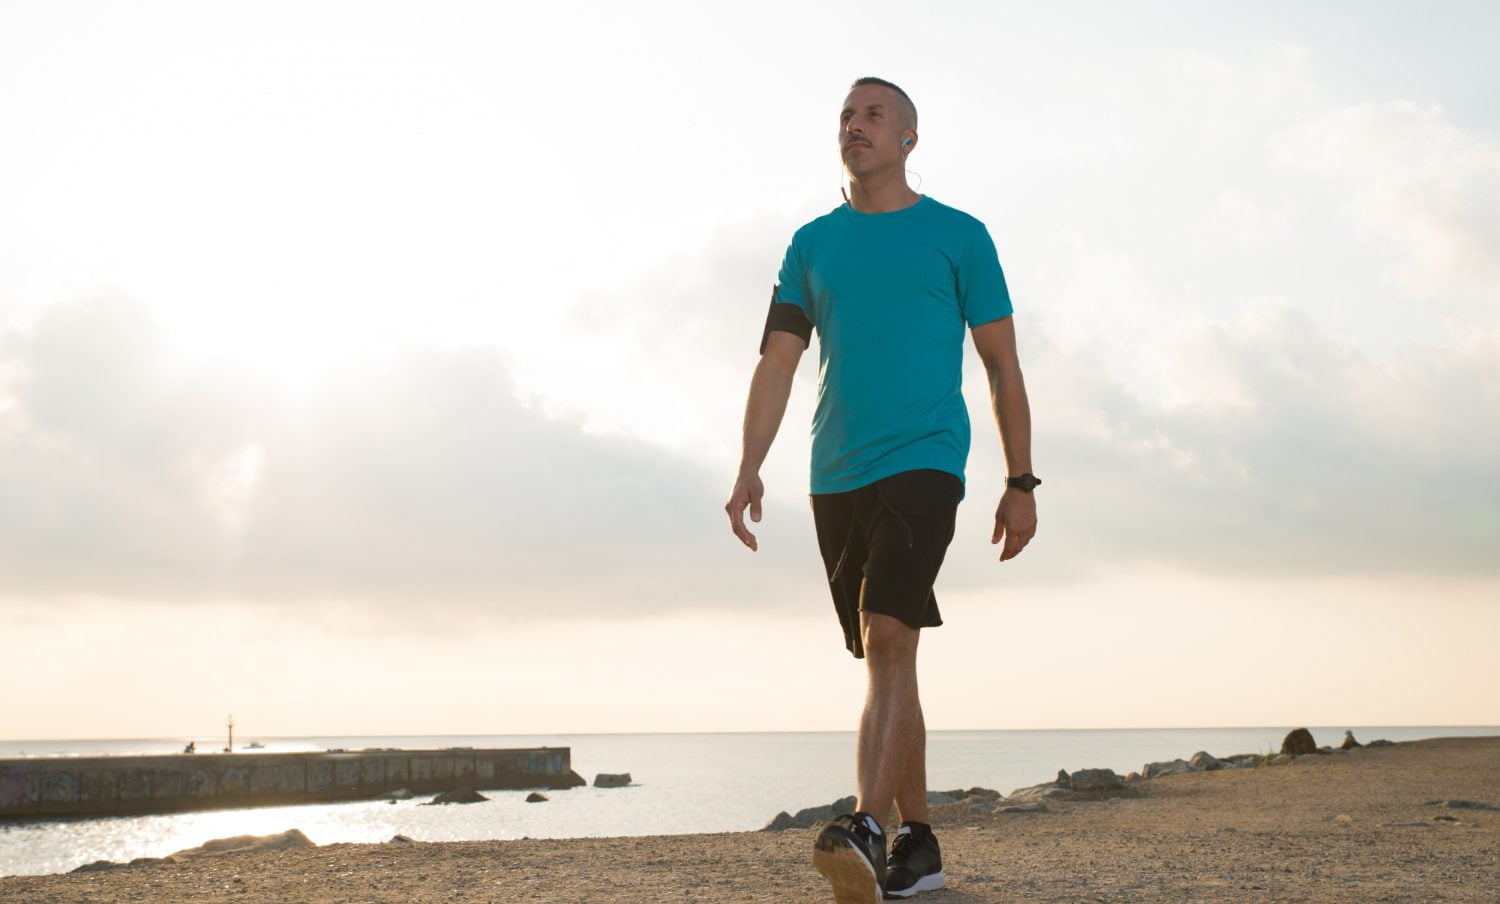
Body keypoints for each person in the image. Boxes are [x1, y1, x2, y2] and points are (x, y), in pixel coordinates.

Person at [725, 76, 1038, 903]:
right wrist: (750, 463)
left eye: (873, 115)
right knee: (888, 655)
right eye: (846, 117)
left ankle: (866, 825)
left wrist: (1020, 479)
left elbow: (1002, 365)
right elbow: (779, 360)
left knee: (887, 630)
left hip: (927, 460)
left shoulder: (960, 236)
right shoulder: (810, 245)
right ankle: (922, 843)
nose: (854, 126)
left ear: (908, 138)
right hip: (837, 473)